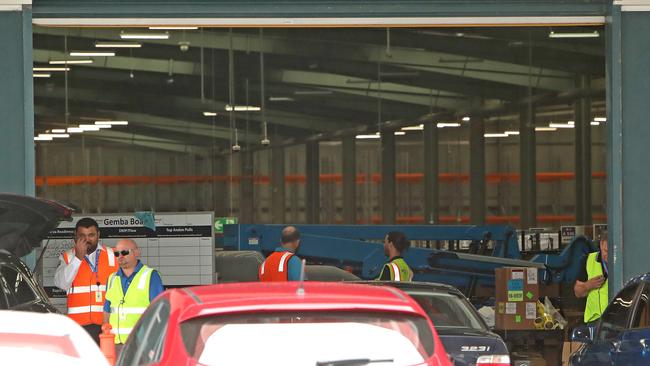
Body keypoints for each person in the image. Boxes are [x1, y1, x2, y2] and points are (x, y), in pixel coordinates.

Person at [54, 217, 118, 343]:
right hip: (78, 328)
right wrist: (78, 258)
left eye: (91, 235)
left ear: (98, 235)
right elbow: (61, 284)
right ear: (75, 236)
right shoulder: (68, 257)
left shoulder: (113, 255)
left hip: (107, 325)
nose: (87, 240)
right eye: (82, 236)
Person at [103, 239, 164, 348]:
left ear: (137, 252)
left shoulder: (151, 276)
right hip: (116, 344)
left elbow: (159, 312)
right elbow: (107, 311)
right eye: (117, 253)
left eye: (125, 252)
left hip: (141, 345)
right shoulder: (111, 278)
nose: (120, 256)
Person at [574, 230, 608, 325]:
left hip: (620, 321)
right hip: (595, 321)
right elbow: (577, 292)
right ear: (601, 244)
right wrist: (587, 286)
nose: (609, 256)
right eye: (606, 251)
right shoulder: (588, 260)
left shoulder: (625, 263)